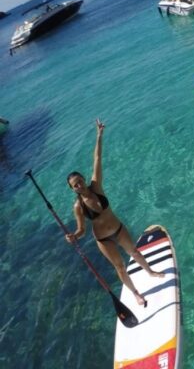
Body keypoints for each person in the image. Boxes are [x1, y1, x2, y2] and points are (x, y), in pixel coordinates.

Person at [65, 120, 164, 307]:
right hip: (103, 239)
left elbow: (97, 159)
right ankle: (135, 294)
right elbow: (81, 230)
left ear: (84, 179)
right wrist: (73, 236)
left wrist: (99, 135)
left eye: (79, 181)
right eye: (74, 185)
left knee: (134, 251)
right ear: (73, 189)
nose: (79, 185)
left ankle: (150, 272)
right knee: (120, 267)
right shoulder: (78, 206)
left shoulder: (97, 186)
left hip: (118, 228)